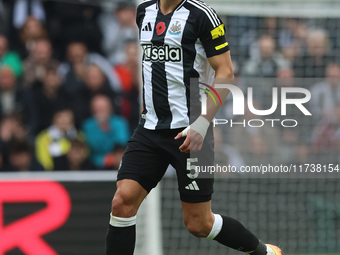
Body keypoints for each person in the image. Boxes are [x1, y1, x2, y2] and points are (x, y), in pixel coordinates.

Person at [105, 1, 282, 255]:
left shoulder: (203, 16)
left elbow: (226, 73)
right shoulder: (144, 11)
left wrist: (201, 124)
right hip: (150, 129)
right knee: (122, 201)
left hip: (192, 132)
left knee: (199, 224)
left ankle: (263, 251)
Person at [82, 95, 129, 169]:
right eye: (98, 109)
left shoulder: (120, 123)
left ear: (110, 108)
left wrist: (108, 131)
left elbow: (122, 142)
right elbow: (91, 147)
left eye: (104, 108)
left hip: (118, 162)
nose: (101, 111)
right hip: (95, 165)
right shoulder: (88, 125)